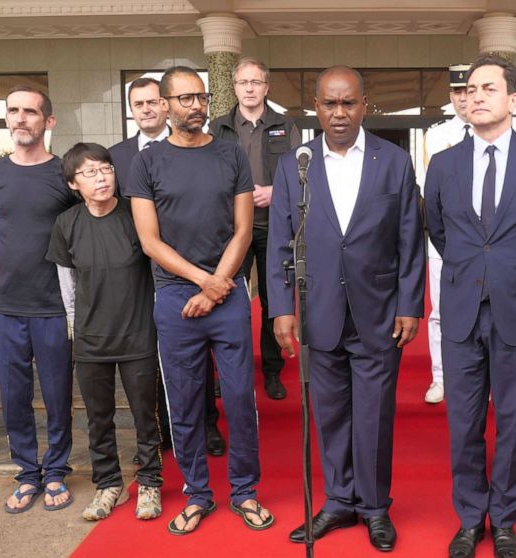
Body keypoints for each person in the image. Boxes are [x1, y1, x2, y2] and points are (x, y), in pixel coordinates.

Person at [269, 65, 425, 552]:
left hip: (379, 310)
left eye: (348, 103)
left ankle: (375, 506)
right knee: (330, 412)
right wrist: (281, 307)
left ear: (365, 105)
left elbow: (409, 238)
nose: (339, 113)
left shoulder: (394, 161)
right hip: (319, 311)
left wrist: (409, 303)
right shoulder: (296, 162)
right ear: (316, 107)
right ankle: (338, 501)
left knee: (375, 414)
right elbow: (279, 240)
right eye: (329, 104)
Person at [426, 55, 516, 558]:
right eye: (470, 89)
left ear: (512, 100)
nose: (476, 96)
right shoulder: (443, 163)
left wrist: (512, 268)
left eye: (489, 88)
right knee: (463, 423)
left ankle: (504, 519)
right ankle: (470, 518)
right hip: (463, 310)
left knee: (512, 421)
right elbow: (439, 231)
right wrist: (476, 269)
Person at [125, 66, 273, 535]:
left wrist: (217, 285)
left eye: (201, 97)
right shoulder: (146, 163)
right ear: (165, 105)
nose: (195, 105)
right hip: (174, 296)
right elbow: (150, 241)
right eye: (184, 98)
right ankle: (197, 494)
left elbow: (244, 229)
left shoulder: (231, 154)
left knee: (238, 398)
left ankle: (245, 491)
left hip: (227, 294)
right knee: (185, 403)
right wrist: (201, 283)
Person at [0, 86, 79, 514]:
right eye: (13, 111)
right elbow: (2, 229)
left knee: (57, 392)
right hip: (6, 303)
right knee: (14, 394)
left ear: (48, 121)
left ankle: (55, 469)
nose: (21, 119)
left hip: (53, 303)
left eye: (30, 112)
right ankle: (26, 472)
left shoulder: (63, 174)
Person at [47, 143, 164, 521]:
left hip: (138, 334)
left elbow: (156, 270)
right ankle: (108, 484)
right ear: (73, 183)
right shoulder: (67, 224)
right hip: (91, 338)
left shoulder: (136, 215)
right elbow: (67, 281)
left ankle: (149, 483)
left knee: (146, 415)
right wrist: (72, 324)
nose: (101, 178)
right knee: (98, 417)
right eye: (90, 173)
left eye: (106, 169)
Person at [210, 57, 301, 401]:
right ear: (234, 87)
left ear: (266, 87)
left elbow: (298, 172)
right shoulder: (218, 128)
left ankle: (273, 370)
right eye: (243, 82)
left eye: (255, 82)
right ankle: (230, 369)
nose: (249, 88)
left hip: (273, 227)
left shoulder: (284, 125)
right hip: (230, 231)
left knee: (273, 301)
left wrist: (277, 191)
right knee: (228, 300)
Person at [107, 77, 182, 460]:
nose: (147, 109)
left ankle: (201, 424)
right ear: (132, 110)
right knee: (144, 354)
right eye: (139, 104)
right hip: (135, 270)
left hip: (183, 266)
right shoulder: (116, 156)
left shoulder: (187, 147)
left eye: (153, 102)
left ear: (166, 106)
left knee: (188, 349)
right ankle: (155, 432)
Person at [420, 63, 471, 405]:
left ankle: (484, 379)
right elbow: (430, 195)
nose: (464, 99)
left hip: (489, 243)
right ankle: (441, 377)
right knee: (440, 311)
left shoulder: (498, 134)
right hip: (446, 240)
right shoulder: (436, 136)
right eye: (457, 92)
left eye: (469, 91)